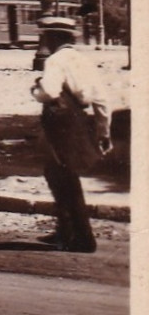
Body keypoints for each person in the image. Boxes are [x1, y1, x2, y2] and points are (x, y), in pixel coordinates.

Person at [30, 16, 110, 253]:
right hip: (79, 120)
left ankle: (82, 237)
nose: (45, 41)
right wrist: (103, 131)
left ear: (54, 37)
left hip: (60, 122)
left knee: (60, 176)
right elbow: (102, 99)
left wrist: (36, 89)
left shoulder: (55, 60)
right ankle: (65, 232)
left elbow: (50, 91)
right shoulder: (83, 61)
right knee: (64, 173)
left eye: (46, 37)